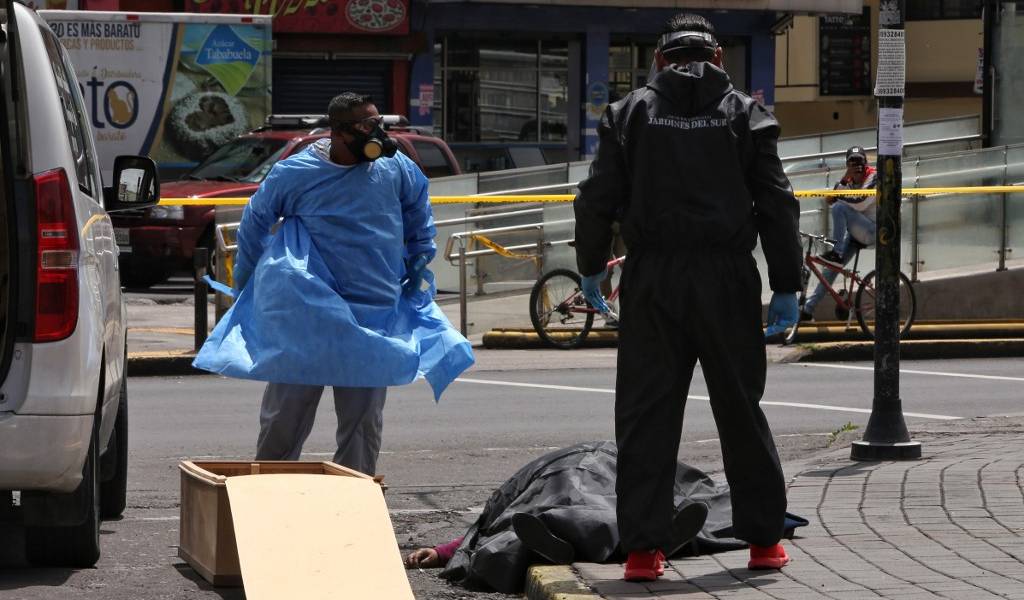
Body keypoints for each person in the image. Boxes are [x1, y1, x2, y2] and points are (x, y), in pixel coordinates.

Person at [573, 14, 802, 581]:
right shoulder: (747, 113)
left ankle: (644, 552)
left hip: (653, 279)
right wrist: (788, 285)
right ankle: (764, 542)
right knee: (740, 409)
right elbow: (776, 201)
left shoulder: (629, 114)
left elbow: (598, 195)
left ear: (657, 59)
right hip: (727, 277)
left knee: (647, 414)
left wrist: (591, 266)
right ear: (719, 57)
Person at [193, 92, 474, 475]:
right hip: (307, 312)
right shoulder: (295, 173)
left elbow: (418, 209)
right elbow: (256, 222)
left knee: (362, 426)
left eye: (379, 123)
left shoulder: (396, 169)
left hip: (371, 313)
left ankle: (353, 506)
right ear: (337, 132)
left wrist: (419, 258)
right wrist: (249, 283)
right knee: (284, 420)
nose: (376, 133)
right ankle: (268, 501)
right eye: (365, 126)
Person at [800, 146, 878, 321]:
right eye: (852, 162)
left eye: (860, 161)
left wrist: (839, 193)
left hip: (873, 230)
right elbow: (829, 200)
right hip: (856, 232)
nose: (857, 166)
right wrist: (844, 178)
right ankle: (808, 309)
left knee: (840, 207)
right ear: (847, 164)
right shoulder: (848, 180)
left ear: (865, 163)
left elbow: (860, 203)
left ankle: (837, 252)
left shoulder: (874, 176)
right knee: (830, 271)